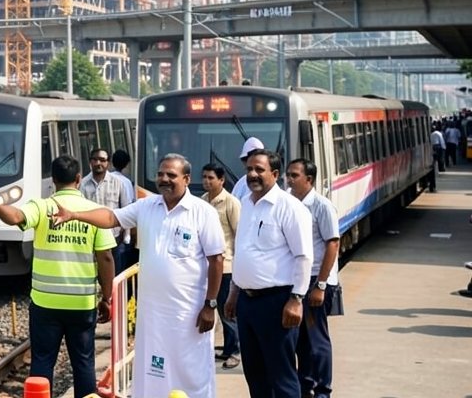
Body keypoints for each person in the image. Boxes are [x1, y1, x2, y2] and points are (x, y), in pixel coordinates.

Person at [52, 153, 224, 398]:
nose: (164, 179)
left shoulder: (202, 212)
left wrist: (210, 304)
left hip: (189, 313)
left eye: (171, 175)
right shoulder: (147, 206)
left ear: (186, 179)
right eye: (161, 174)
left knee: (191, 372)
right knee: (154, 371)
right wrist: (75, 215)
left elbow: (216, 259)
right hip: (153, 314)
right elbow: (112, 217)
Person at [0, 155, 115, 398]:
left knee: (42, 362)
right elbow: (105, 258)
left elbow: (15, 217)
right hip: (81, 304)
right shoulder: (94, 212)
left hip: (45, 303)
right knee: (83, 363)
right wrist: (107, 297)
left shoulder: (42, 207)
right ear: (78, 179)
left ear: (53, 180)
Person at [225, 149, 313, 398]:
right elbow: (242, 251)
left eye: (259, 170)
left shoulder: (290, 208)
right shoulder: (246, 204)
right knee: (255, 375)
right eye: (249, 169)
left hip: (277, 302)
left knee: (281, 375)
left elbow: (304, 256)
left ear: (274, 174)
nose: (252, 174)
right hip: (247, 303)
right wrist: (233, 293)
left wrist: (296, 299)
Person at [285, 158, 342, 398]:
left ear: (309, 179)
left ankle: (322, 390)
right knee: (300, 342)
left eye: (294, 175)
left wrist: (320, 285)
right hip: (296, 280)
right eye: (288, 174)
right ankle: (305, 384)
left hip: (315, 281)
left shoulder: (321, 206)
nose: (289, 179)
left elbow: (333, 243)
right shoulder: (288, 203)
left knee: (317, 341)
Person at [200, 163, 242, 370]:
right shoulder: (201, 202)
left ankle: (235, 351)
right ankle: (227, 348)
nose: (207, 181)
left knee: (228, 311)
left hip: (226, 267)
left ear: (221, 180)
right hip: (206, 267)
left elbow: (239, 235)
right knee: (212, 307)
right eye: (204, 177)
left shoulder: (231, 203)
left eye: (211, 178)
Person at [102, 148, 139, 272]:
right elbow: (128, 207)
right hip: (120, 234)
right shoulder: (125, 182)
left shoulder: (107, 179)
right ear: (127, 165)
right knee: (119, 268)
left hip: (105, 229)